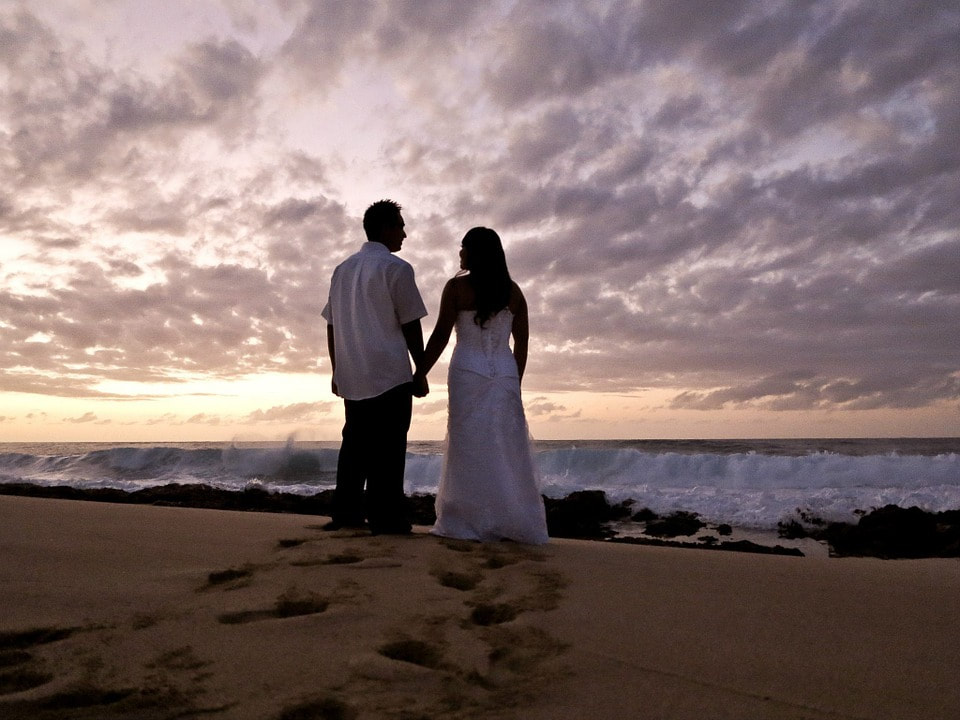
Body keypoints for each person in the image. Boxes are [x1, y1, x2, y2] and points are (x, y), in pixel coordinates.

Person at [421, 227, 548, 544]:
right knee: (505, 444)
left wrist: (419, 371)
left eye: (463, 248)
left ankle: (468, 520)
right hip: (504, 373)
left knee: (468, 445)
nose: (459, 254)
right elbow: (522, 344)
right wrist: (513, 382)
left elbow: (439, 335)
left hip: (467, 371)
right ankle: (508, 518)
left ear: (475, 253)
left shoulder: (456, 288)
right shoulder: (515, 292)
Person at [321, 199, 429, 534]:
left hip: (354, 373)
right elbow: (411, 323)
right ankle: (387, 519)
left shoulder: (343, 270)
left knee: (354, 445)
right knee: (390, 448)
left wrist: (336, 369)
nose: (405, 234)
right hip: (389, 372)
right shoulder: (397, 269)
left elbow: (332, 325)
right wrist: (421, 369)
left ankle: (346, 513)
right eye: (400, 225)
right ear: (384, 228)